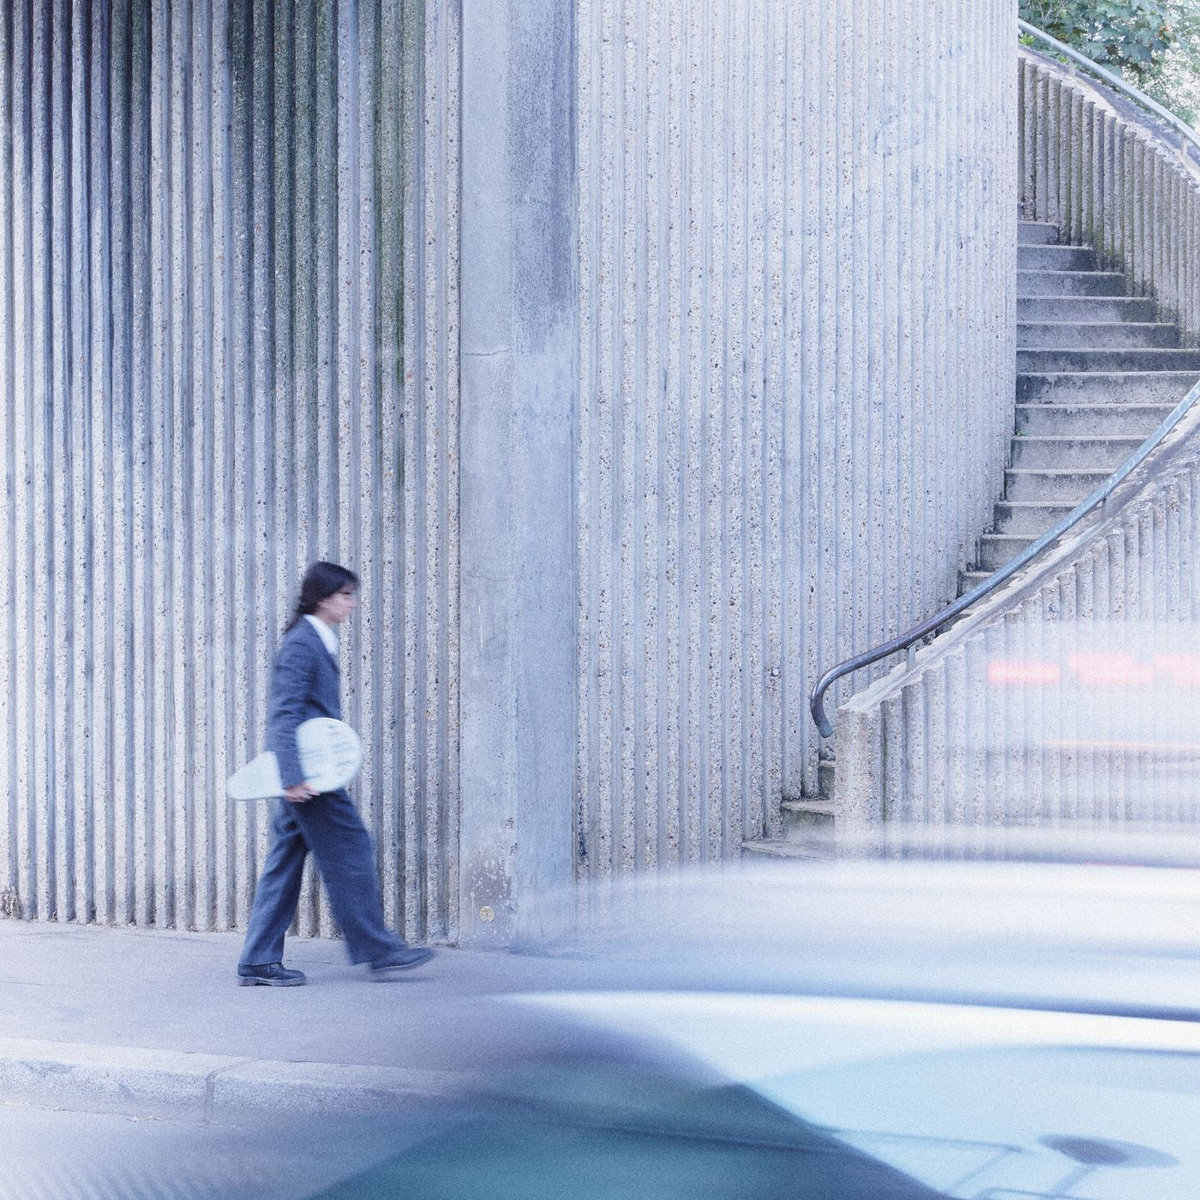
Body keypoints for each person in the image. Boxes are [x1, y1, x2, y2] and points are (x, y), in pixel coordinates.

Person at [237, 561, 433, 985]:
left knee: (284, 864)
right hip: (306, 780)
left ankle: (257, 960)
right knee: (352, 849)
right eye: (345, 595)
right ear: (322, 598)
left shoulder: (316, 640)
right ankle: (378, 949)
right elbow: (284, 715)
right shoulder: (302, 644)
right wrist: (293, 777)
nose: (352, 603)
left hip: (312, 775)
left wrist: (328, 770)